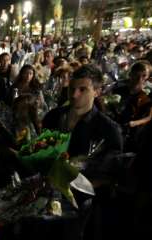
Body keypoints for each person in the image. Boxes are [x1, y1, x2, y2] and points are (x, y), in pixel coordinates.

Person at [43, 64, 124, 239]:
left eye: (82, 89)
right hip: (42, 196)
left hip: (77, 207)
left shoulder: (108, 130)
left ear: (97, 91)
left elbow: (112, 174)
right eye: (72, 88)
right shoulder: (53, 117)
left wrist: (75, 182)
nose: (74, 95)